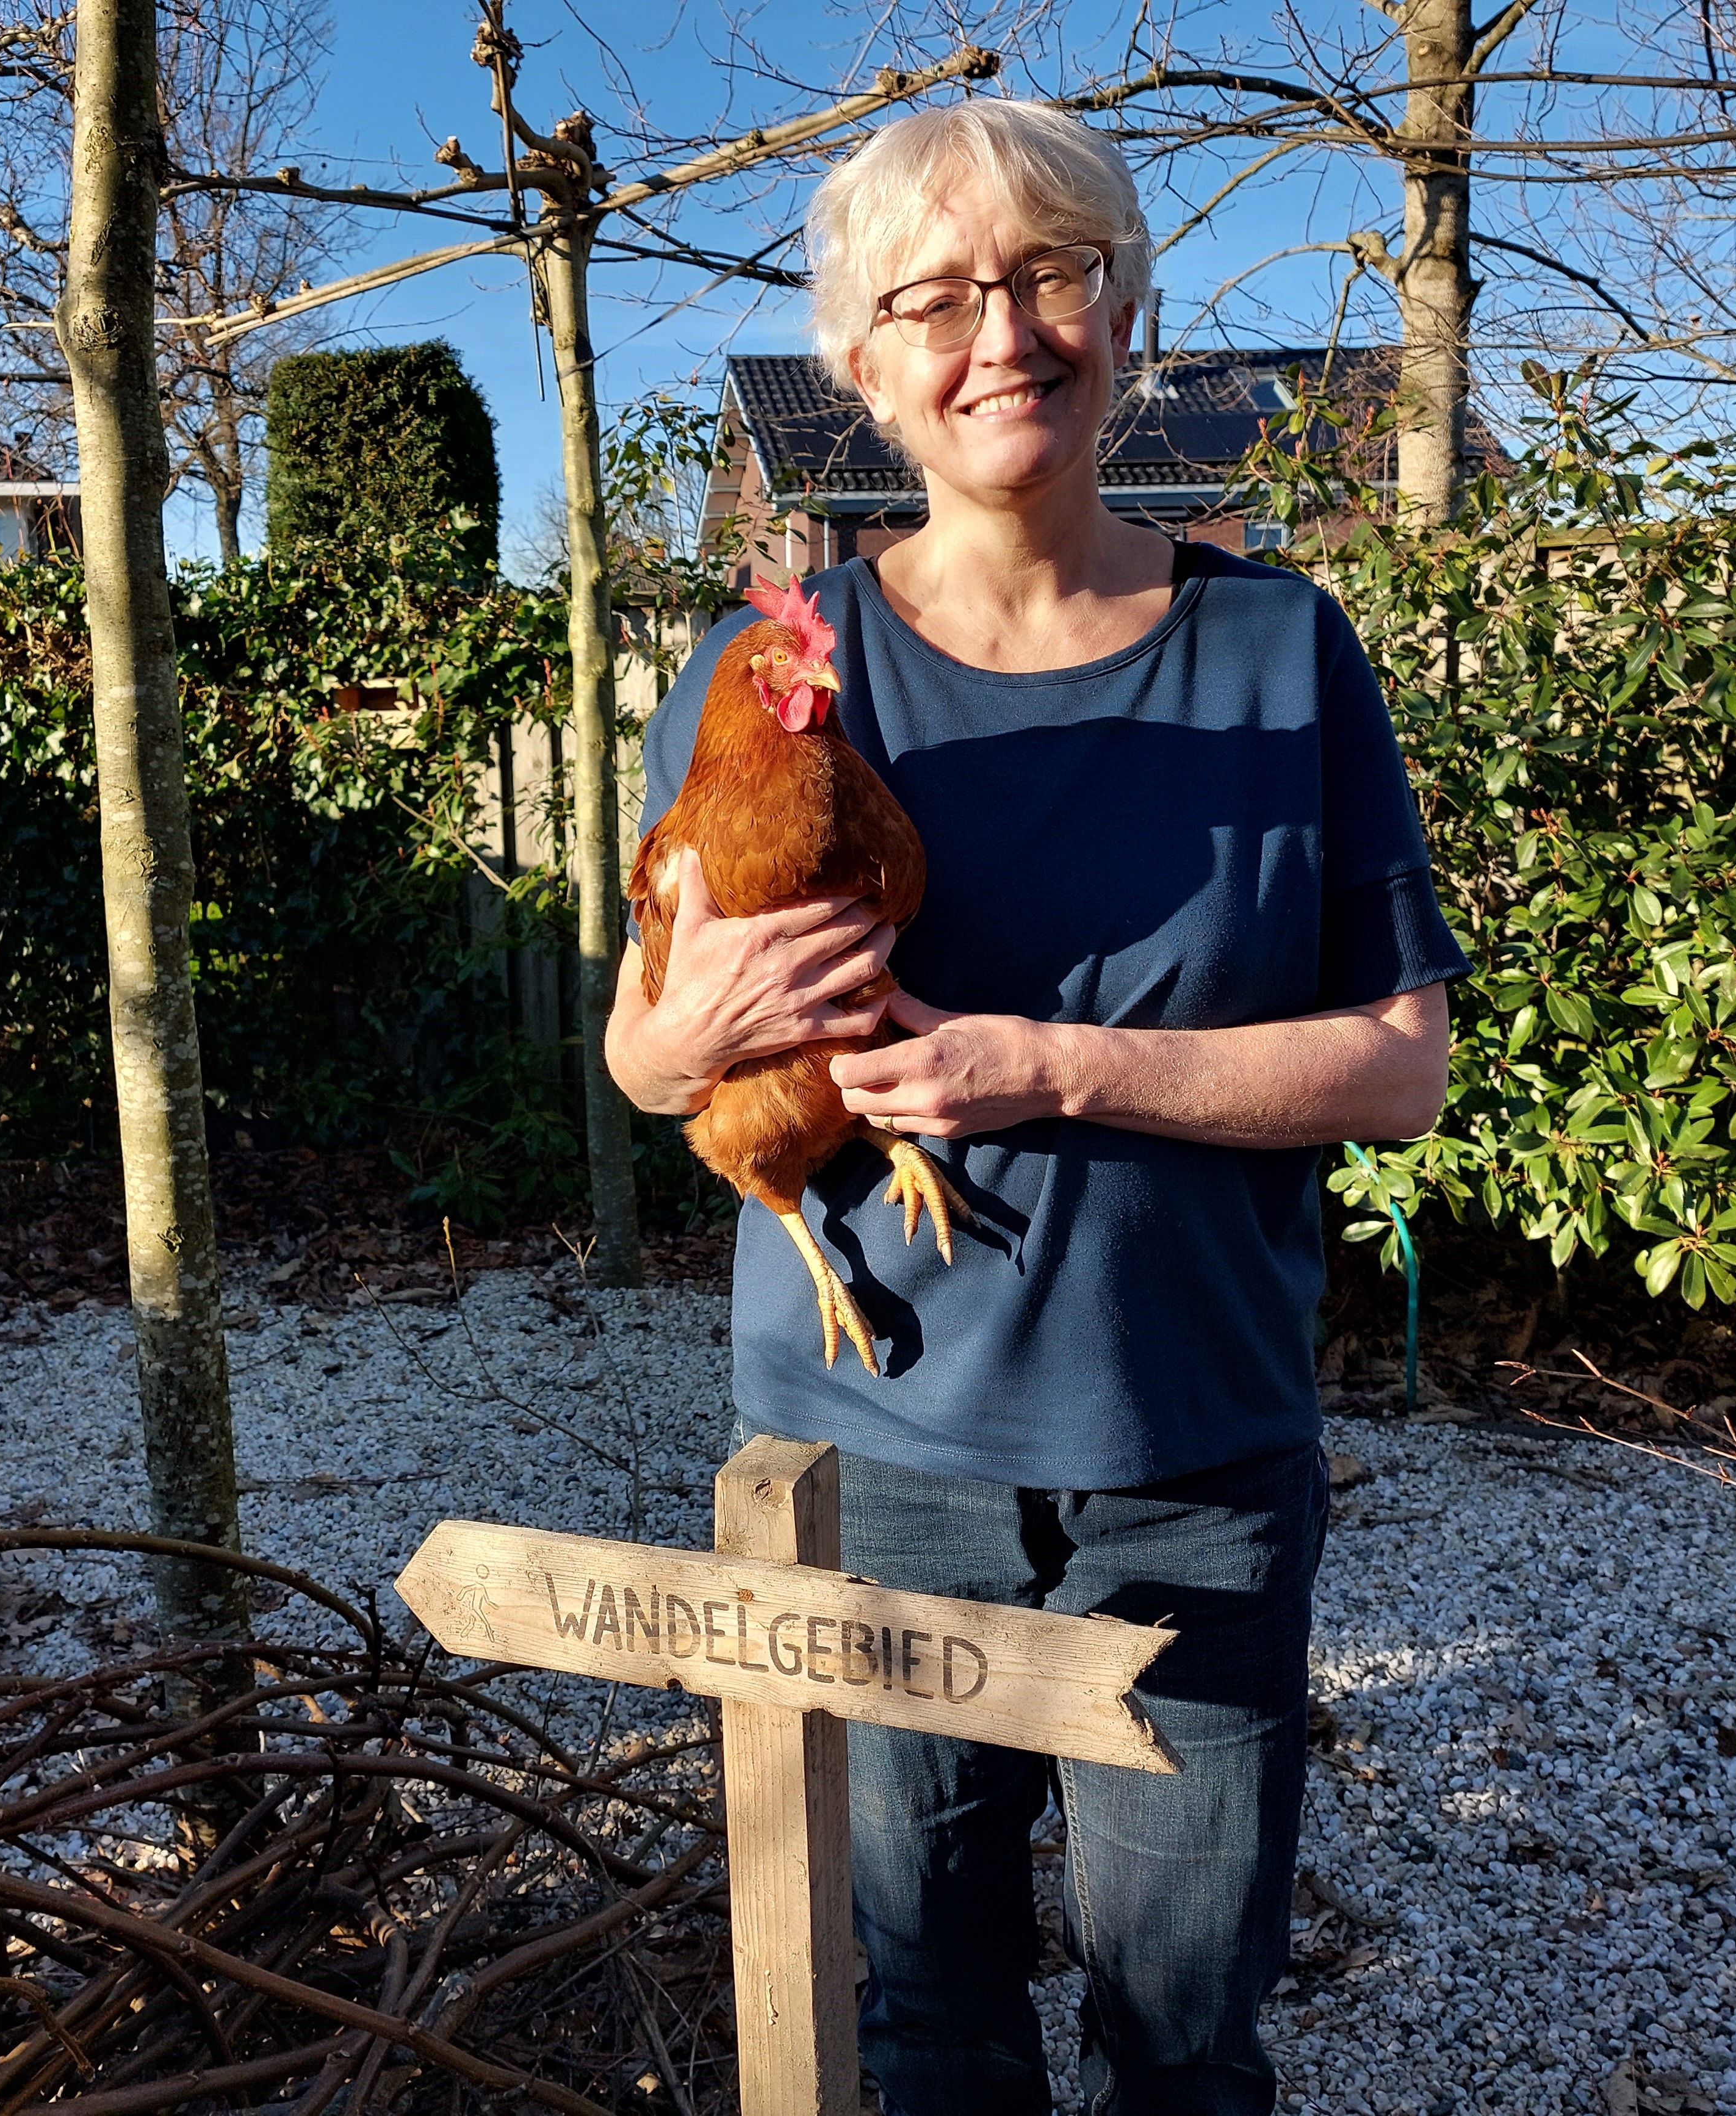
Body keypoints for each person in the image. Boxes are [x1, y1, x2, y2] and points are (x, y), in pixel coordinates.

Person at [605, 98, 1470, 2116]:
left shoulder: (1281, 651)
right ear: (862, 363)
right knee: (933, 2025)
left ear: (1122, 307)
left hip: (1194, 1454)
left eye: (1048, 273)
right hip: (881, 1444)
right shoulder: (776, 672)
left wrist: (1051, 1060)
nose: (1000, 331)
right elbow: (647, 1064)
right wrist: (686, 1022)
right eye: (932, 296)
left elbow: (1402, 1065)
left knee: (1183, 2044)